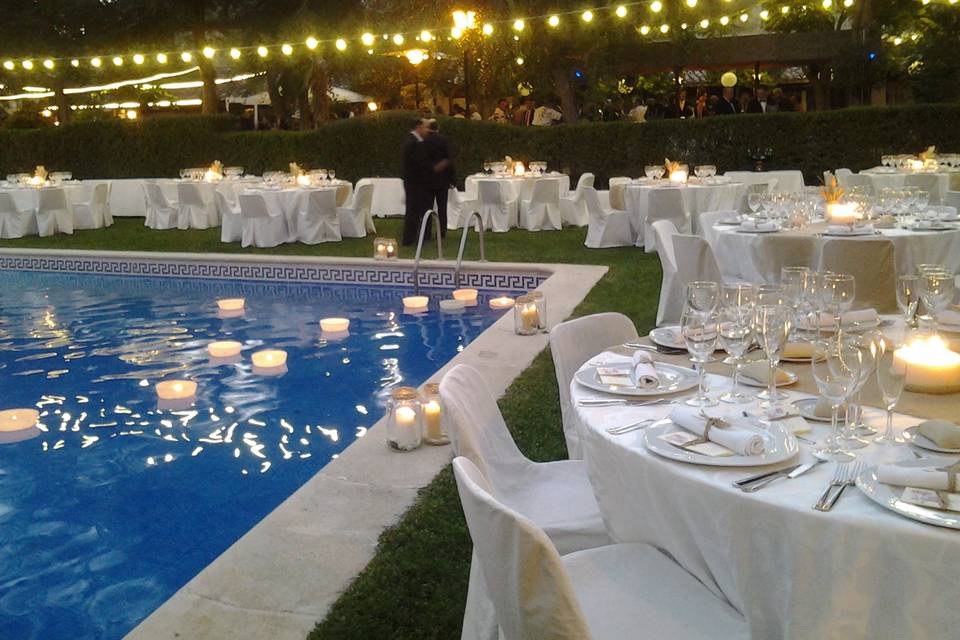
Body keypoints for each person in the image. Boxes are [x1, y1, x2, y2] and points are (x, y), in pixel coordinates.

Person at [401, 118, 434, 245]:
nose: (426, 131)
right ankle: (409, 238)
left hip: (415, 183)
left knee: (417, 209)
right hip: (416, 183)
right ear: (418, 127)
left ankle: (421, 236)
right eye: (424, 128)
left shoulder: (415, 141)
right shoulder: (413, 143)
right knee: (414, 210)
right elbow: (419, 164)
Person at [424, 119, 455, 237]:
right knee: (442, 208)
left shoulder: (424, 141)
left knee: (427, 207)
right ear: (437, 128)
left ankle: (426, 232)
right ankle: (442, 232)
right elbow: (448, 160)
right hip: (442, 180)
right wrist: (452, 179)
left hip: (427, 180)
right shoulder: (443, 140)